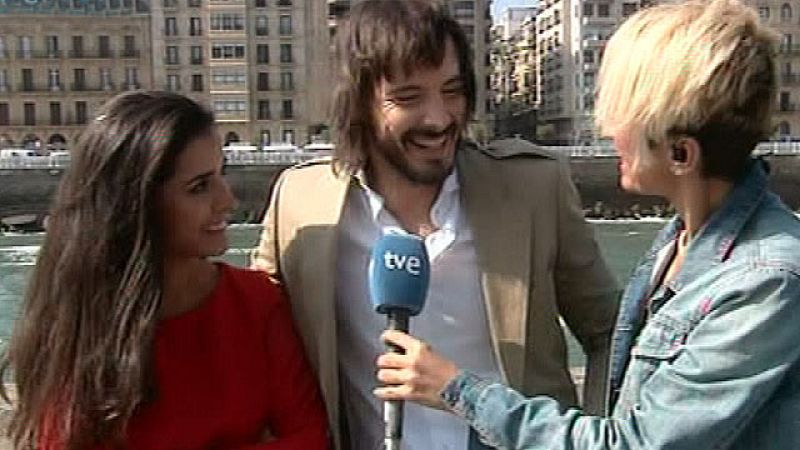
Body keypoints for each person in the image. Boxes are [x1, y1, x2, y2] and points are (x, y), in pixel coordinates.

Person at [374, 0, 800, 448]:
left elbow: (633, 444)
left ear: (681, 155)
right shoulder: (684, 241)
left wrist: (456, 388)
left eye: (625, 117)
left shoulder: (764, 282)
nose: (608, 130)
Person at [251, 1, 619, 449]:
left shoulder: (533, 188)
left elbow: (610, 335)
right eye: (408, 98)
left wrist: (590, 434)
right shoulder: (300, 202)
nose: (439, 118)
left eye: (452, 91)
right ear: (359, 102)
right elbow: (251, 341)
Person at [0, 91, 328, 450]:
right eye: (199, 187)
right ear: (137, 203)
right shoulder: (75, 325)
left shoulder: (256, 302)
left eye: (221, 175)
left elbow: (309, 438)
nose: (228, 201)